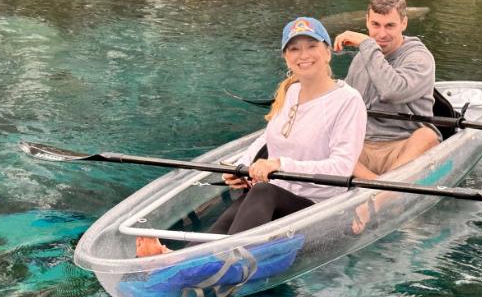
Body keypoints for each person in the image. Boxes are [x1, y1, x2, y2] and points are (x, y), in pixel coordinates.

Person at [136, 17, 367, 256]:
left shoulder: (348, 101)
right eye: (294, 48)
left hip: (319, 209)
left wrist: (280, 164)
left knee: (262, 192)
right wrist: (241, 167)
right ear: (286, 58)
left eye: (312, 46)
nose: (303, 54)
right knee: (245, 202)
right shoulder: (292, 91)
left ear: (328, 52)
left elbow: (341, 168)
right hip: (278, 196)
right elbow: (267, 138)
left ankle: (219, 261)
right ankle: (180, 260)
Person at [333, 0, 440, 232]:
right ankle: (386, 188)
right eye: (375, 25)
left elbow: (392, 91)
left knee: (428, 136)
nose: (381, 34)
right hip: (363, 149)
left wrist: (366, 44)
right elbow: (347, 105)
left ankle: (374, 202)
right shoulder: (362, 58)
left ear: (404, 23)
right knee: (324, 136)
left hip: (401, 147)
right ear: (367, 22)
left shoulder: (419, 58)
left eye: (390, 25)